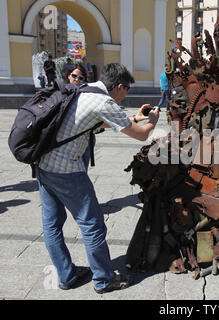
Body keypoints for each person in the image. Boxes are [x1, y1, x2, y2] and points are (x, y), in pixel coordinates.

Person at [35, 63, 160, 294]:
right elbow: (141, 136)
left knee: (52, 225)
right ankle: (103, 279)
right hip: (67, 171)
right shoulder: (104, 101)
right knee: (92, 225)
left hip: (43, 165)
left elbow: (97, 121)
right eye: (127, 91)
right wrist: (152, 121)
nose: (125, 96)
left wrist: (134, 117)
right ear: (120, 87)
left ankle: (66, 275)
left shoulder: (83, 90)